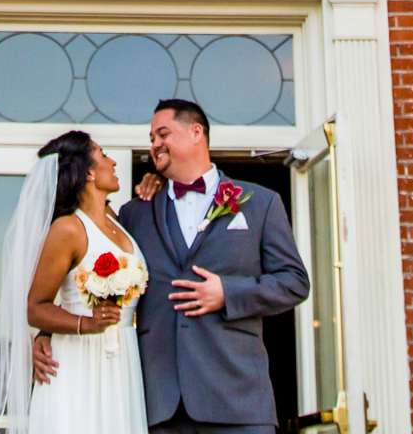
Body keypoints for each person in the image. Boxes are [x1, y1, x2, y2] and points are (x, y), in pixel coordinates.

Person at [121, 99, 309, 434]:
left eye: (163, 133)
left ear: (196, 133)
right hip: (162, 404)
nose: (154, 144)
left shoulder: (261, 203)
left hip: (238, 401)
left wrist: (229, 293)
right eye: (151, 138)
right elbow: (96, 272)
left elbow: (294, 282)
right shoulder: (136, 213)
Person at [0, 129, 151, 432]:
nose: (113, 162)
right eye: (103, 155)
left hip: (121, 360)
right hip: (80, 361)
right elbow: (36, 307)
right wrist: (85, 324)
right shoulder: (68, 229)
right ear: (89, 172)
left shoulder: (116, 220)